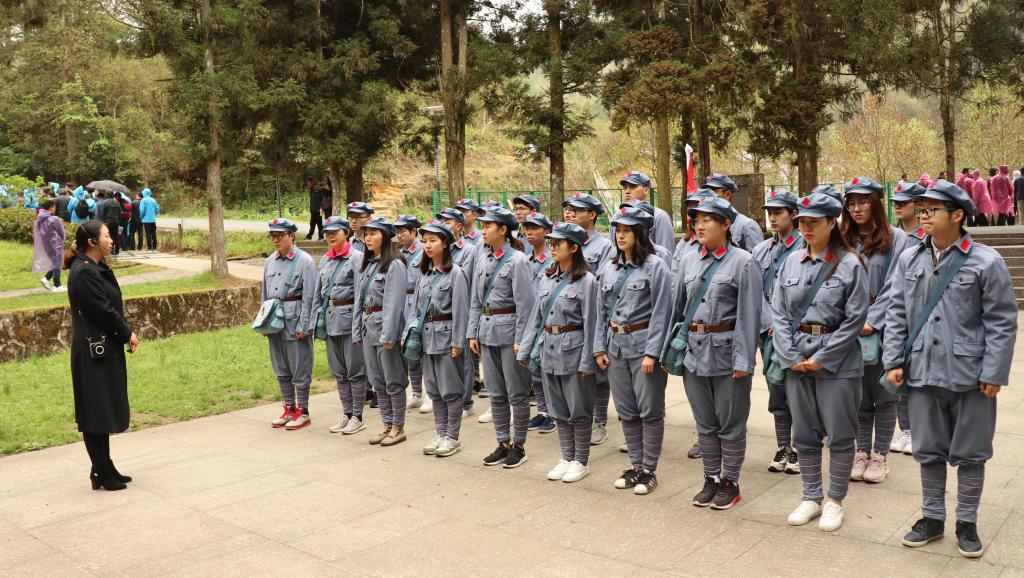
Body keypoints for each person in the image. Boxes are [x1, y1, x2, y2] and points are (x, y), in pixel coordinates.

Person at [885, 180, 1017, 559]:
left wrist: (994, 372)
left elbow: (1001, 321)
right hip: (922, 371)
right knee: (928, 449)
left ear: (958, 214)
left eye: (932, 209)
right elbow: (896, 313)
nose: (923, 215)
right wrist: (894, 360)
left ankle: (966, 522)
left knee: (972, 452)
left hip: (970, 375)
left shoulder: (986, 261)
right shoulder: (909, 259)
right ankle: (932, 517)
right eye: (921, 209)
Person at [772, 192, 868, 532]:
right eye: (803, 222)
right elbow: (778, 313)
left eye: (814, 222)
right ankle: (811, 496)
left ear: (832, 222)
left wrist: (823, 358)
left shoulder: (850, 264)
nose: (807, 228)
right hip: (797, 358)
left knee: (841, 435)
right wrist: (790, 356)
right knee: (805, 434)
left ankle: (834, 501)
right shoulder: (790, 262)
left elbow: (855, 319)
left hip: (837, 362)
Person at [670, 197, 761, 510]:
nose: (700, 225)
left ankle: (730, 481)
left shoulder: (744, 262)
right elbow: (678, 309)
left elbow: (750, 316)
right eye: (696, 220)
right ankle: (710, 477)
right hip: (694, 353)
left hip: (727, 355)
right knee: (705, 423)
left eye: (707, 219)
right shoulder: (687, 261)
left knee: (730, 423)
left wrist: (744, 360)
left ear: (726, 224)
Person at [594, 206, 673, 494]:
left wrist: (653, 353)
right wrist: (599, 348)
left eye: (627, 230)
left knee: (650, 410)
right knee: (626, 410)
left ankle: (649, 469)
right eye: (618, 230)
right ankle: (636, 465)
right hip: (615, 347)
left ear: (641, 233)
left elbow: (663, 312)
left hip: (643, 347)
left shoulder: (656, 266)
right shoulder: (609, 268)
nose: (620, 235)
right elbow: (601, 312)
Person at [518, 222, 600, 483]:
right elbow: (536, 317)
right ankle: (566, 456)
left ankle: (581, 460)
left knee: (578, 409)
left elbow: (592, 322)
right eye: (551, 244)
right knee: (558, 409)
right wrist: (525, 349)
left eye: (558, 244)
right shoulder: (547, 277)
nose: (552, 248)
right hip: (549, 349)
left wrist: (587, 360)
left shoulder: (587, 281)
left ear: (574, 248)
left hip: (573, 350)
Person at [840, 177, 908, 484]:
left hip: (886, 326)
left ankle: (880, 455)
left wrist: (873, 320)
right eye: (851, 203)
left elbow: (897, 284)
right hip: (849, 327)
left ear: (876, 204)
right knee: (859, 396)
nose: (856, 209)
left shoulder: (897, 239)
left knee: (884, 393)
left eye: (863, 202)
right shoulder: (842, 238)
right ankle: (861, 452)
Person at [68, 220, 140, 491]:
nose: (111, 240)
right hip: (93, 351)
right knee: (95, 411)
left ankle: (104, 466)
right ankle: (100, 471)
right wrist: (127, 333)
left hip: (101, 348)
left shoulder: (93, 266)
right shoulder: (84, 271)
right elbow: (102, 309)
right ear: (92, 242)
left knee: (102, 408)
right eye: (107, 236)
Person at [468, 207, 537, 468]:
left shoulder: (517, 260)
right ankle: (503, 442)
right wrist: (472, 332)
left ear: (503, 230)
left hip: (510, 335)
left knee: (517, 394)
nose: (483, 230)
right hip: (487, 333)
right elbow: (476, 300)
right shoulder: (482, 257)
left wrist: (521, 340)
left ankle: (519, 445)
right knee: (496, 393)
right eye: (483, 226)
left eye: (488, 226)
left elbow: (525, 305)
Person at [751, 189, 803, 473]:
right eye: (769, 212)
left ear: (793, 214)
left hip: (795, 332)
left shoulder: (804, 247)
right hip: (767, 332)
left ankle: (800, 447)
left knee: (798, 392)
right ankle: (783, 445)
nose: (772, 217)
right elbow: (754, 291)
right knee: (776, 391)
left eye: (778, 212)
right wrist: (767, 322)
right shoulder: (761, 250)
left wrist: (782, 324)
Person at [561, 193, 615, 446]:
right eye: (569, 209)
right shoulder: (563, 242)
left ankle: (599, 422)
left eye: (577, 210)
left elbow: (602, 283)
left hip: (593, 311)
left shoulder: (603, 246)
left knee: (597, 371)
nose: (570, 213)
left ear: (592, 214)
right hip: (569, 314)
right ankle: (580, 418)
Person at [413, 220, 470, 457]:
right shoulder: (424, 273)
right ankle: (440, 432)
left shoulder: (456, 274)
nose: (427, 245)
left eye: (433, 240)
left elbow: (461, 311)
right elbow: (416, 309)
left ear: (445, 243)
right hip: (426, 339)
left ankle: (452, 437)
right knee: (434, 390)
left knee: (451, 390)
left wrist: (458, 342)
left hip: (446, 338)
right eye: (425, 241)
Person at [354, 217, 409, 446]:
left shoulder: (394, 264)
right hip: (369, 328)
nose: (367, 238)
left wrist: (389, 335)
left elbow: (394, 303)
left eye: (373, 234)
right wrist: (356, 330)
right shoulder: (368, 264)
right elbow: (360, 300)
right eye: (366, 234)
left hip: (385, 330)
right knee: (378, 381)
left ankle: (398, 426)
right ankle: (386, 424)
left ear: (385, 237)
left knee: (393, 379)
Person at [262, 218, 318, 430]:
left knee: (300, 367)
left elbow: (310, 297)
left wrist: (306, 325)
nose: (275, 240)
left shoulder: (305, 261)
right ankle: (289, 408)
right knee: (281, 368)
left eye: (280, 236)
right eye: (272, 236)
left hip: (295, 323)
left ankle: (303, 410)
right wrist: (263, 322)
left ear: (291, 236)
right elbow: (265, 294)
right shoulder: (270, 261)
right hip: (275, 323)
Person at [318, 217, 368, 435]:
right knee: (339, 371)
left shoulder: (357, 258)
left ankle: (358, 416)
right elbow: (319, 293)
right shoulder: (325, 259)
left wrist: (358, 325)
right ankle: (347, 414)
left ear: (346, 233)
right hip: (330, 321)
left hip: (349, 321)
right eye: (327, 232)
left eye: (335, 232)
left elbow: (360, 294)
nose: (330, 236)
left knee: (355, 371)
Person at [437, 207, 483, 417]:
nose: (444, 225)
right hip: (442, 308)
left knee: (463, 357)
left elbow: (470, 280)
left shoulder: (469, 250)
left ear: (458, 226)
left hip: (462, 305)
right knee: (445, 356)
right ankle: (448, 398)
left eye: (447, 222)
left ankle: (465, 402)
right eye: (441, 221)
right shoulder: (439, 249)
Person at [521, 211, 556, 434]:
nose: (529, 232)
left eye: (535, 228)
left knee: (548, 371)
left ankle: (553, 413)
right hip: (530, 321)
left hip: (548, 321)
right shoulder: (525, 259)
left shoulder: (554, 259)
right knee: (535, 369)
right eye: (527, 228)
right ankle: (542, 411)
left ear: (547, 232)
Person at [395, 215, 428, 413]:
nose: (399, 235)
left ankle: (430, 393)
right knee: (408, 350)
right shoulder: (399, 253)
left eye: (403, 231)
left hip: (417, 303)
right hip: (402, 302)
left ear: (414, 231)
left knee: (421, 347)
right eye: (397, 232)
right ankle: (416, 392)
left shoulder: (424, 251)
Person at [705, 173, 764, 252]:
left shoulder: (747, 225)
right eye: (707, 193)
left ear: (728, 194)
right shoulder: (704, 225)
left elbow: (757, 258)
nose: (709, 197)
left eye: (713, 193)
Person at [619, 170, 676, 252]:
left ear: (646, 190)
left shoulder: (659, 216)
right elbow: (614, 252)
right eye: (625, 187)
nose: (627, 191)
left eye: (633, 187)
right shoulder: (618, 216)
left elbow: (667, 253)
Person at [34, 200, 67, 292]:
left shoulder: (39, 218)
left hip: (46, 244)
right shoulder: (54, 219)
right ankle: (57, 286)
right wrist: (62, 240)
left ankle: (46, 278)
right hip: (56, 243)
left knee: (55, 262)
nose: (55, 209)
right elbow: (61, 233)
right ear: (51, 208)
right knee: (57, 263)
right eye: (54, 207)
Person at [891, 183, 926, 248]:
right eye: (895, 202)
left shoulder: (930, 237)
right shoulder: (890, 235)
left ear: (919, 205)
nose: (897, 206)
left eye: (903, 202)